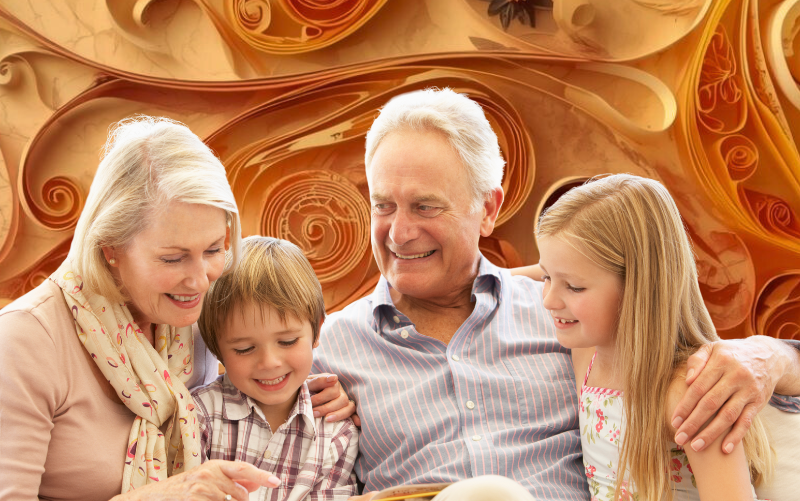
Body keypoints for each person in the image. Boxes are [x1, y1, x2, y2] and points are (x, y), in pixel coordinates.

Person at [311, 88, 800, 500]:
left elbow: (650, 296)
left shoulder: (571, 320)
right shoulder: (322, 352)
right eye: (383, 205)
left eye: (424, 206)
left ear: (487, 209)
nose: (398, 233)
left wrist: (774, 353)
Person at [0, 116, 352, 501]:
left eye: (215, 249)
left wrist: (312, 397)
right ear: (111, 249)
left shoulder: (195, 317)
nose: (201, 280)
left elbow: (257, 365)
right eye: (172, 259)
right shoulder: (24, 341)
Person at [537, 174, 774, 500]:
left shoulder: (686, 394)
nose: (548, 299)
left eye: (573, 287)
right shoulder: (586, 353)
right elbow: (557, 266)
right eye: (546, 277)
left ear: (638, 287)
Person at [192, 236, 359, 501]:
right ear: (217, 349)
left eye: (288, 341)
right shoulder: (197, 416)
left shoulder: (337, 434)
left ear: (316, 329)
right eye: (244, 349)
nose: (269, 362)